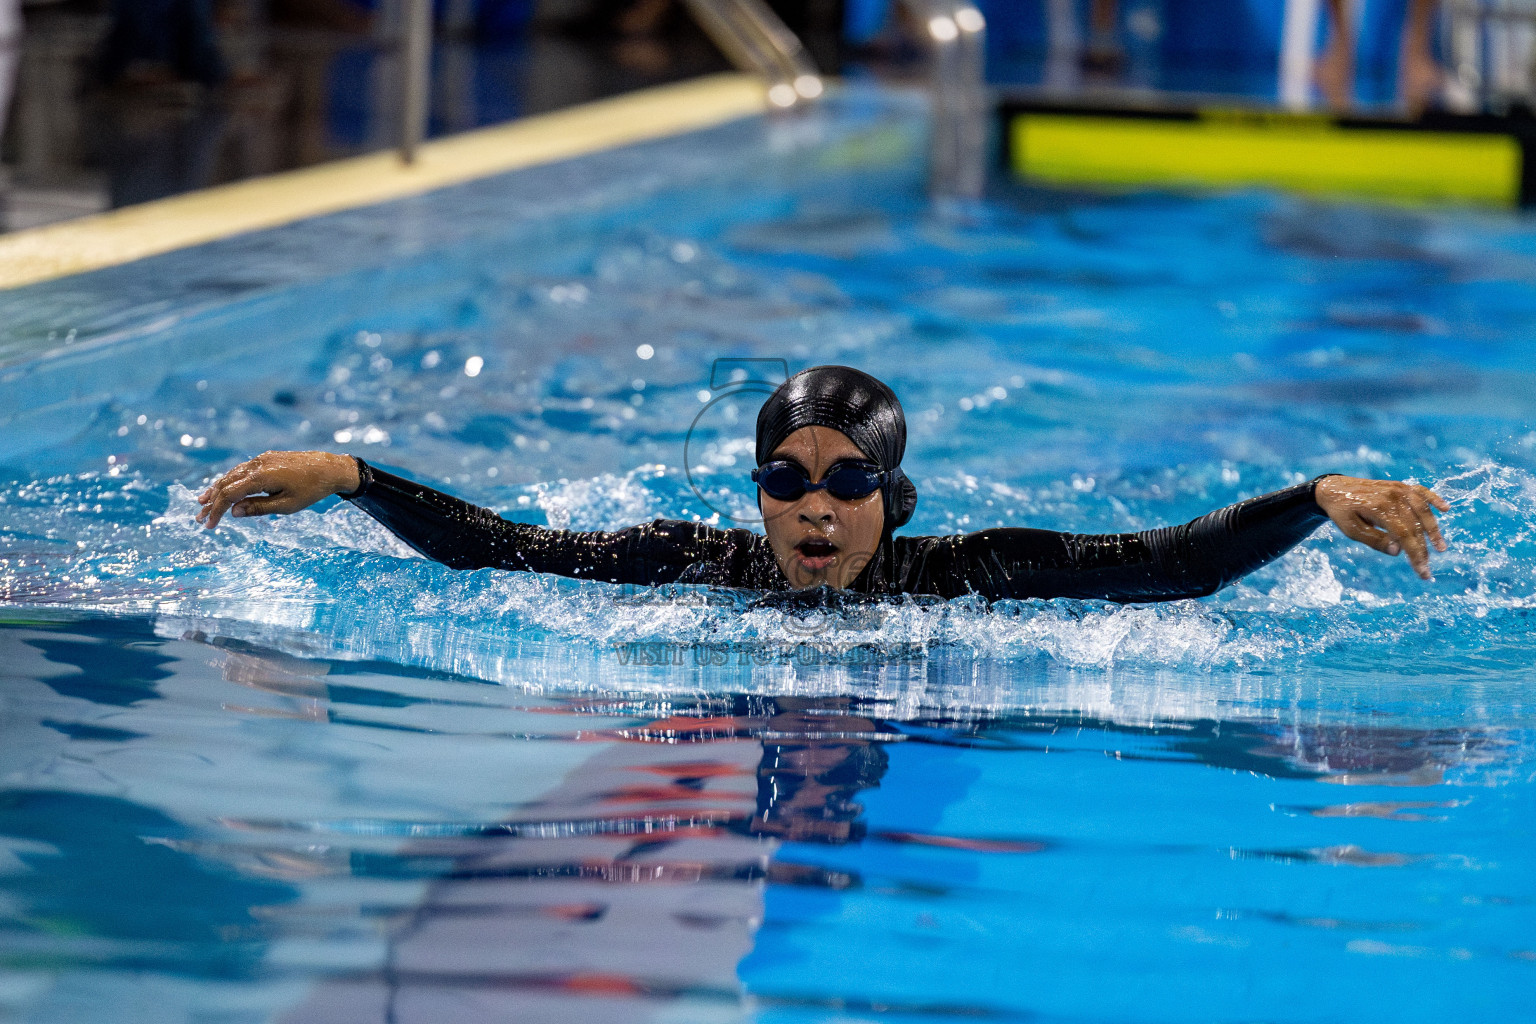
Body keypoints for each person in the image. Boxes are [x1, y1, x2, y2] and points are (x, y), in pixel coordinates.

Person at [196, 365, 1449, 601]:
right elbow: (510, 550)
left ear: (894, 498)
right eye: (785, 479)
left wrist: (1315, 492)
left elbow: (1166, 563)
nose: (814, 505)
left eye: (850, 481)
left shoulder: (965, 573)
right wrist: (353, 475)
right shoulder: (694, 560)